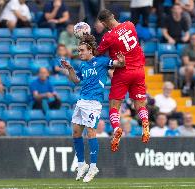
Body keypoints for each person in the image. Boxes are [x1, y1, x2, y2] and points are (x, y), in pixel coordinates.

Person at [61, 34, 125, 182]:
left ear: (90, 50)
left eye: (82, 50)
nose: (80, 53)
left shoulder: (102, 61)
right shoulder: (82, 65)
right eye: (78, 51)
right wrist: (70, 68)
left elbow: (118, 64)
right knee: (76, 133)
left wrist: (121, 61)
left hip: (94, 103)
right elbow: (76, 80)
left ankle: (94, 166)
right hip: (81, 101)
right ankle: (82, 164)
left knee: (91, 133)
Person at [97, 9, 150, 153]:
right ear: (113, 16)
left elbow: (97, 53)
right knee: (139, 103)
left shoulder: (109, 36)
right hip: (139, 70)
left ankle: (116, 129)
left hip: (123, 72)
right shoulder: (130, 24)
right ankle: (145, 122)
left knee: (114, 106)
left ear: (103, 22)